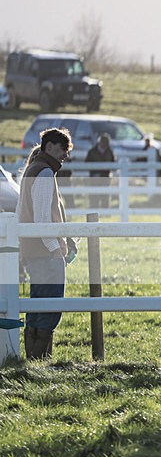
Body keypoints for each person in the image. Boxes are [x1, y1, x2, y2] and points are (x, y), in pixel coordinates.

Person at [16, 128, 76, 360]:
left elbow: (25, 212)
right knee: (50, 306)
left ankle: (33, 357)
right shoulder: (43, 174)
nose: (65, 155)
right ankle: (40, 357)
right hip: (44, 251)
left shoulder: (34, 169)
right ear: (49, 146)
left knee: (38, 302)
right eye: (63, 149)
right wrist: (55, 250)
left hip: (33, 249)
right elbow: (42, 219)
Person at [85, 132, 116, 209]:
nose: (105, 145)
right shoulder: (92, 151)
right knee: (94, 197)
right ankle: (94, 212)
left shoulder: (110, 151)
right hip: (94, 178)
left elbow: (114, 164)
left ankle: (106, 214)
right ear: (100, 142)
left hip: (106, 178)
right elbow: (87, 163)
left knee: (105, 196)